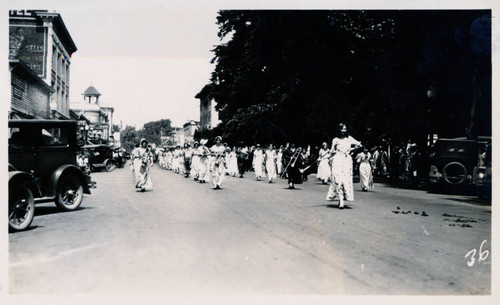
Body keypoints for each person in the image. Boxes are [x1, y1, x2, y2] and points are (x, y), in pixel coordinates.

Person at [326, 123, 361, 209]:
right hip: (337, 160)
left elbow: (359, 144)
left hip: (346, 161)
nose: (343, 131)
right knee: (338, 180)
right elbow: (332, 151)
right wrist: (329, 157)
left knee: (344, 180)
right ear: (338, 130)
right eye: (342, 129)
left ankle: (341, 199)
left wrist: (351, 150)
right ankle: (341, 200)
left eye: (345, 129)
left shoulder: (349, 139)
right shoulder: (335, 140)